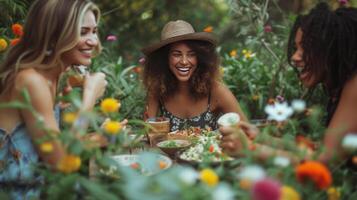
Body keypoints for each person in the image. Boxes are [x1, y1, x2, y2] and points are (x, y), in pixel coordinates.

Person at [220, 2, 357, 165]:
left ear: (332, 49)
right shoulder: (340, 87)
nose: (295, 57)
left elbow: (326, 161)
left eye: (305, 48)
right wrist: (261, 137)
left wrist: (249, 148)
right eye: (296, 48)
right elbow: (322, 149)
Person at [0, 0, 106, 199]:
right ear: (53, 35)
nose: (93, 40)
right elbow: (61, 165)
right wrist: (89, 99)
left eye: (94, 31)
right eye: (83, 32)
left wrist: (93, 140)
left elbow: (50, 147)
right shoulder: (31, 81)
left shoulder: (53, 78)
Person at [141, 20, 248, 132]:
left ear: (199, 58)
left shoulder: (216, 91)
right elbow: (149, 134)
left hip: (211, 149)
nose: (184, 61)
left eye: (191, 54)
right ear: (164, 58)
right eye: (176, 54)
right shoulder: (158, 90)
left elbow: (248, 132)